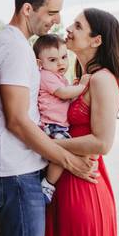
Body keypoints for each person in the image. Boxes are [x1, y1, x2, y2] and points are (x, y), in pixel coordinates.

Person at [0, 0, 97, 236]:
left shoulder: (19, 46)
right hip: (16, 175)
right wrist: (67, 160)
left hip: (20, 173)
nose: (57, 21)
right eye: (51, 12)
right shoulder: (14, 49)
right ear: (27, 9)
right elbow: (17, 121)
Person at [44, 8, 119, 236]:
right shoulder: (79, 79)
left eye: (78, 26)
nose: (69, 28)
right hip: (66, 179)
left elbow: (102, 143)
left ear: (96, 40)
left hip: (84, 188)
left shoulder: (102, 80)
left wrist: (49, 145)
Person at [32, 34, 91, 203]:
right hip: (52, 125)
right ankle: (48, 184)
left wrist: (74, 87)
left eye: (64, 57)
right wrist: (82, 86)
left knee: (64, 152)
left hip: (58, 125)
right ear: (40, 63)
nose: (61, 63)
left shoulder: (59, 77)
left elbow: (67, 97)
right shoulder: (46, 75)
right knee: (61, 155)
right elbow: (63, 94)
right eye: (53, 60)